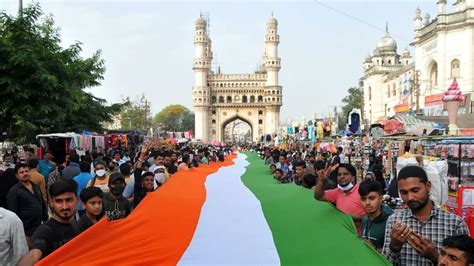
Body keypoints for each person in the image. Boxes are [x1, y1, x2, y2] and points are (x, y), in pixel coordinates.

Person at [382, 165, 470, 265]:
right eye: (404, 192)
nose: (410, 197)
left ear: (428, 186)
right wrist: (394, 247)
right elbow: (385, 262)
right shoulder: (394, 221)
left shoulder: (455, 223)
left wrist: (435, 257)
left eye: (415, 190)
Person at [18, 179, 81, 265]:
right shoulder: (45, 231)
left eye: (69, 200)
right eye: (59, 201)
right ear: (51, 203)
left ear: (77, 200)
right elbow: (33, 254)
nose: (64, 206)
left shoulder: (75, 224)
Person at [314, 163, 366, 235]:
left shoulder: (362, 191)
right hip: (341, 235)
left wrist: (350, 217)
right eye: (339, 174)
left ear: (353, 177)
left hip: (359, 238)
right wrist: (322, 180)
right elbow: (318, 196)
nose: (342, 176)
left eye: (345, 174)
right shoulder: (337, 192)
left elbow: (370, 216)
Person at [7, 163, 48, 248]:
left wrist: (45, 220)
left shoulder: (35, 186)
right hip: (25, 232)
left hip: (39, 228)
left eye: (26, 171)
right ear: (17, 176)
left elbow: (42, 203)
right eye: (21, 172)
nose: (25, 173)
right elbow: (12, 213)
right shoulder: (14, 191)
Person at [359, 179, 393, 251]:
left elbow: (396, 253)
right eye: (363, 199)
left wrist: (375, 249)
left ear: (380, 198)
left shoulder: (391, 220)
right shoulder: (365, 220)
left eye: (372, 198)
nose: (367, 202)